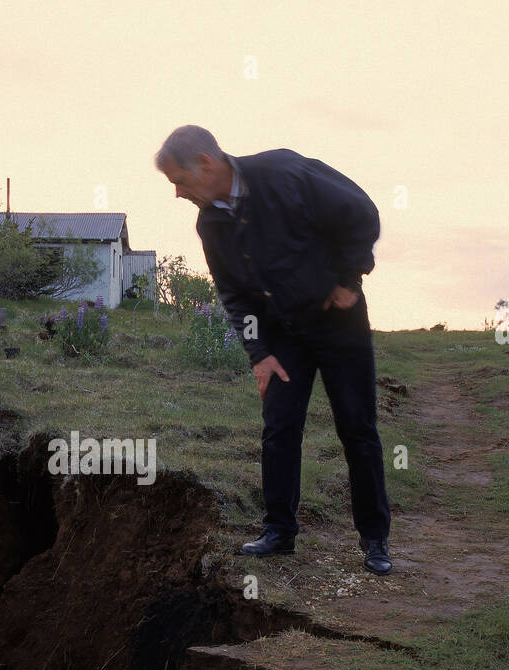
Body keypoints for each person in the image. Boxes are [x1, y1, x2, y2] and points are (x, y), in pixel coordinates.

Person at [154, 125, 392, 575]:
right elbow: (234, 296)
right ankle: (279, 532)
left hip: (339, 326)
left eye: (178, 182)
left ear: (205, 162)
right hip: (282, 335)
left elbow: (361, 212)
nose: (178, 194)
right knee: (279, 429)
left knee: (357, 428)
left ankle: (375, 540)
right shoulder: (210, 223)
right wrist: (259, 354)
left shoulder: (283, 172)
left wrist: (349, 279)